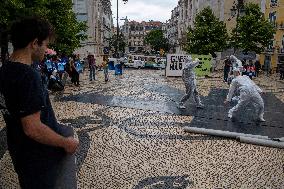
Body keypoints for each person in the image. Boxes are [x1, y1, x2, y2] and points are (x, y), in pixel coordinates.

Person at [0, 17, 79, 189]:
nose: (46, 50)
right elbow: (32, 128)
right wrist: (67, 143)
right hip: (39, 157)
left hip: (20, 153)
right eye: (45, 45)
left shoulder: (5, 69)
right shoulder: (28, 76)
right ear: (35, 43)